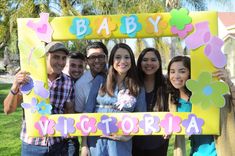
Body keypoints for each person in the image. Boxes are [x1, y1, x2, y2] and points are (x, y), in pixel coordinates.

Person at [4, 42, 74, 156]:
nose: (61, 62)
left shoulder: (68, 82)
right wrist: (15, 85)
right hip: (32, 145)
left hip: (58, 144)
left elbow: (68, 109)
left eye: (63, 58)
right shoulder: (28, 79)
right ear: (45, 57)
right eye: (56, 57)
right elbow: (8, 110)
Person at [83, 43, 147, 156]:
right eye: (118, 57)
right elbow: (87, 112)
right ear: (112, 60)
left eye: (127, 57)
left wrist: (128, 136)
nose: (122, 61)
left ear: (131, 60)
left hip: (121, 142)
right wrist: (84, 145)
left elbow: (141, 116)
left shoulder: (138, 86)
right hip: (97, 140)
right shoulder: (100, 79)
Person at [167, 56, 217, 156]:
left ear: (190, 73)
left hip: (216, 151)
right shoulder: (172, 101)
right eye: (172, 72)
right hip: (195, 152)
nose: (176, 76)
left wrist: (228, 82)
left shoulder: (205, 93)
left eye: (182, 71)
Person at [132, 48, 169, 156]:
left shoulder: (166, 84)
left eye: (153, 60)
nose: (149, 63)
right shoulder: (132, 83)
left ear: (159, 63)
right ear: (139, 62)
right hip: (134, 141)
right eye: (145, 60)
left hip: (159, 141)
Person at [74, 41, 108, 113]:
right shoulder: (80, 85)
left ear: (106, 58)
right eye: (92, 57)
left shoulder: (117, 74)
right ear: (86, 61)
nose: (97, 61)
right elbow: (79, 112)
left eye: (100, 56)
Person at [64, 52, 86, 156]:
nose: (77, 70)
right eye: (73, 65)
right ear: (66, 65)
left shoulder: (87, 83)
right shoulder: (62, 82)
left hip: (75, 134)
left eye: (80, 66)